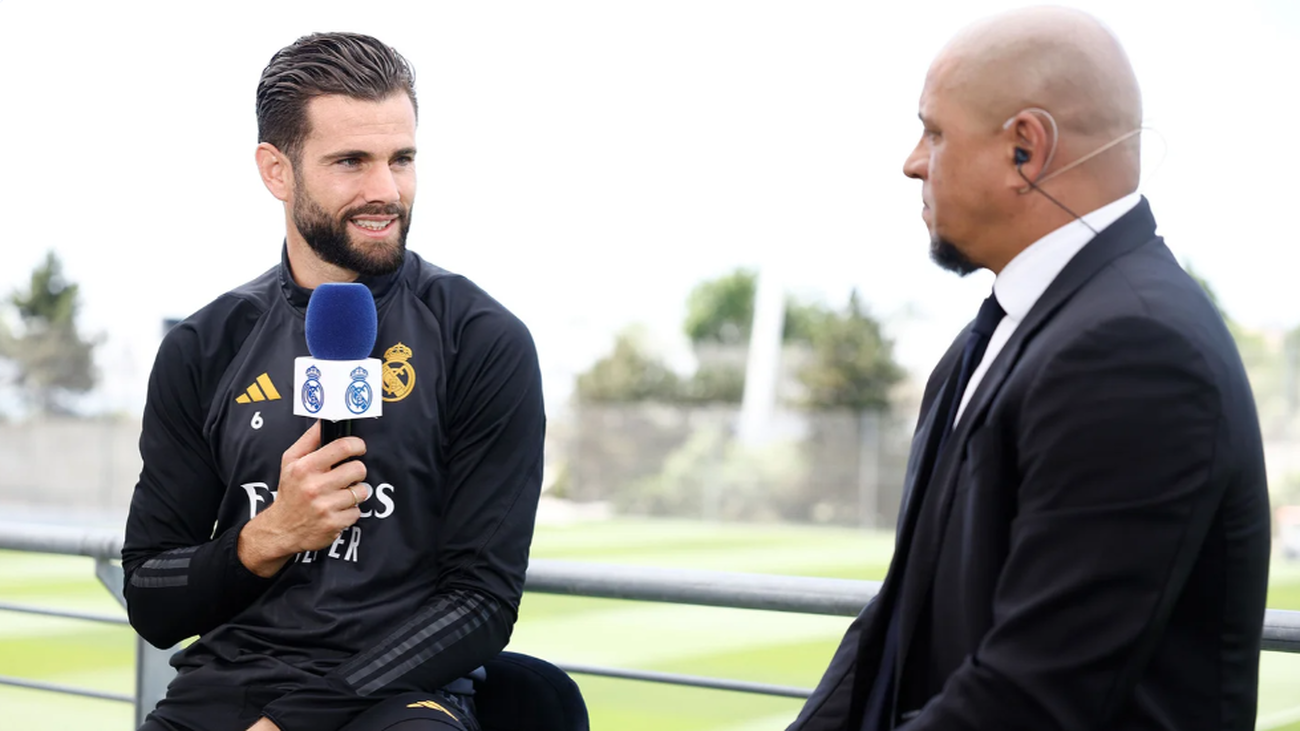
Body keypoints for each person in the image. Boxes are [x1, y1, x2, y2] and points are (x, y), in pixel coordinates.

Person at [789, 6, 1271, 730]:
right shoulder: (992, 335)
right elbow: (892, 629)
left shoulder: (1135, 348)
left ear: (1026, 148)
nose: (912, 162)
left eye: (934, 132)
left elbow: (1031, 698)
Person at [121, 32, 546, 731]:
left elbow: (480, 601)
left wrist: (292, 722)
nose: (386, 190)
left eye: (401, 159)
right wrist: (267, 536)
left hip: (399, 698)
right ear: (276, 170)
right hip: (224, 690)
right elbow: (149, 594)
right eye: (351, 161)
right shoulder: (205, 347)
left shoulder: (480, 338)